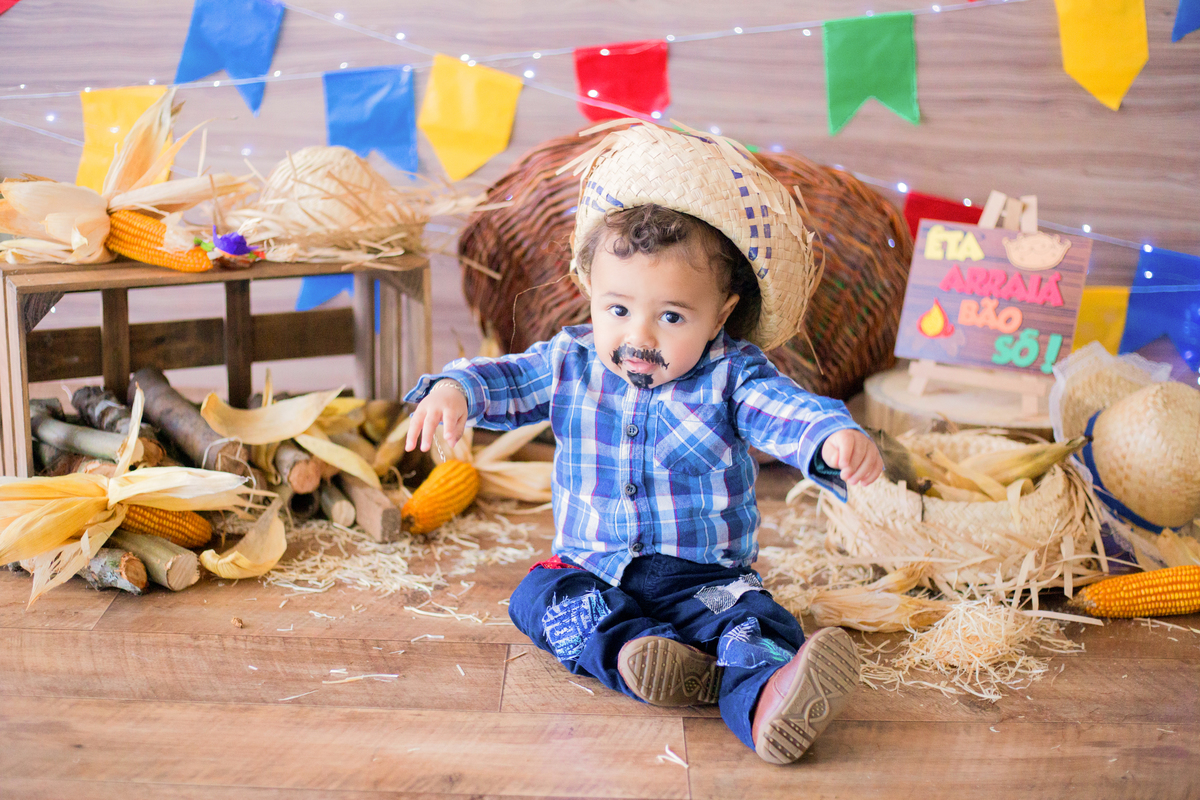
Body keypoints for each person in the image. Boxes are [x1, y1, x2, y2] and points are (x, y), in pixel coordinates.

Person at [403, 122, 882, 765]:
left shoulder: (732, 374)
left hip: (705, 580)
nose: (640, 335)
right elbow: (509, 375)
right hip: (592, 570)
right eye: (619, 309)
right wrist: (456, 391)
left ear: (720, 314)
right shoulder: (571, 360)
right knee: (536, 597)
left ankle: (767, 697)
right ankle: (639, 657)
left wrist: (830, 437)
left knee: (754, 624)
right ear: (591, 296)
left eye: (673, 316)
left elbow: (785, 410)